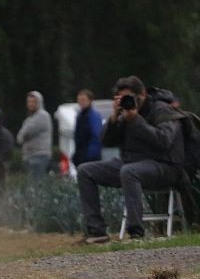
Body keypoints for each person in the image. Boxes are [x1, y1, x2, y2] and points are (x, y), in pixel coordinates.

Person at [77, 76, 185, 243]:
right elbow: (106, 142)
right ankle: (97, 231)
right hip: (131, 163)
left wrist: (136, 120)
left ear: (142, 94)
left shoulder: (162, 110)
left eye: (131, 98)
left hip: (164, 166)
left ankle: (136, 233)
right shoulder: (125, 113)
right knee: (85, 171)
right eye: (123, 98)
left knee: (128, 171)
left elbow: (163, 141)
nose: (129, 102)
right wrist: (114, 117)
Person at [16, 90, 53, 181]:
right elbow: (19, 138)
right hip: (30, 156)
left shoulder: (42, 116)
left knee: (36, 185)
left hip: (39, 155)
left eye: (33, 102)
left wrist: (22, 134)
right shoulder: (30, 118)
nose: (31, 104)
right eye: (29, 102)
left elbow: (26, 133)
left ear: (39, 102)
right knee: (32, 184)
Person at [73, 89, 103, 171]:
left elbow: (96, 136)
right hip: (81, 154)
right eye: (79, 100)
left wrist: (89, 156)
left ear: (90, 101)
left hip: (90, 157)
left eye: (83, 100)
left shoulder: (93, 116)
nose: (81, 102)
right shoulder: (80, 116)